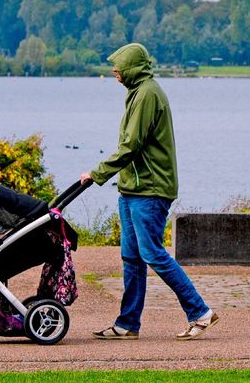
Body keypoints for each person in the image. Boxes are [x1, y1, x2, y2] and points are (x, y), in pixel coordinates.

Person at [81, 42, 218, 340]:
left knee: (152, 253)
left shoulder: (147, 94)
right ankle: (128, 323)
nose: (114, 74)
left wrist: (97, 173)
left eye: (118, 68)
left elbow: (131, 145)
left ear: (132, 68)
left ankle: (200, 311)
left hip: (151, 189)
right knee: (131, 257)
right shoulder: (136, 93)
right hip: (132, 188)